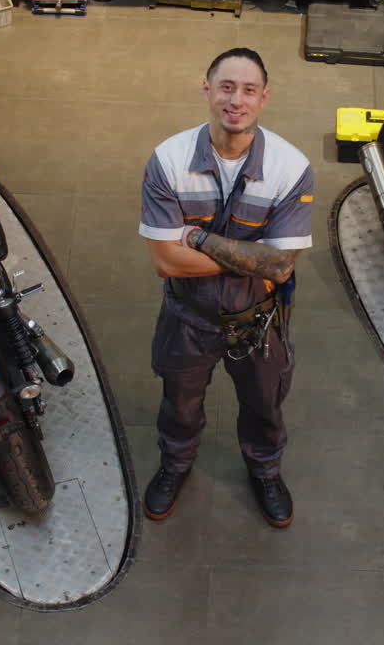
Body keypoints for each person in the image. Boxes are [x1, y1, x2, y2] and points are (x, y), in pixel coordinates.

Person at [137, 47, 314, 528]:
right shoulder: (168, 161)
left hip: (257, 324)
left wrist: (196, 239)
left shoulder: (289, 167)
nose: (236, 99)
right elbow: (164, 262)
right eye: (227, 87)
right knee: (180, 402)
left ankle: (265, 470)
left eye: (248, 90)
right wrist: (247, 257)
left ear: (264, 98)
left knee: (264, 404)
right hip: (187, 321)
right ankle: (175, 465)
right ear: (208, 90)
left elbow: (278, 268)